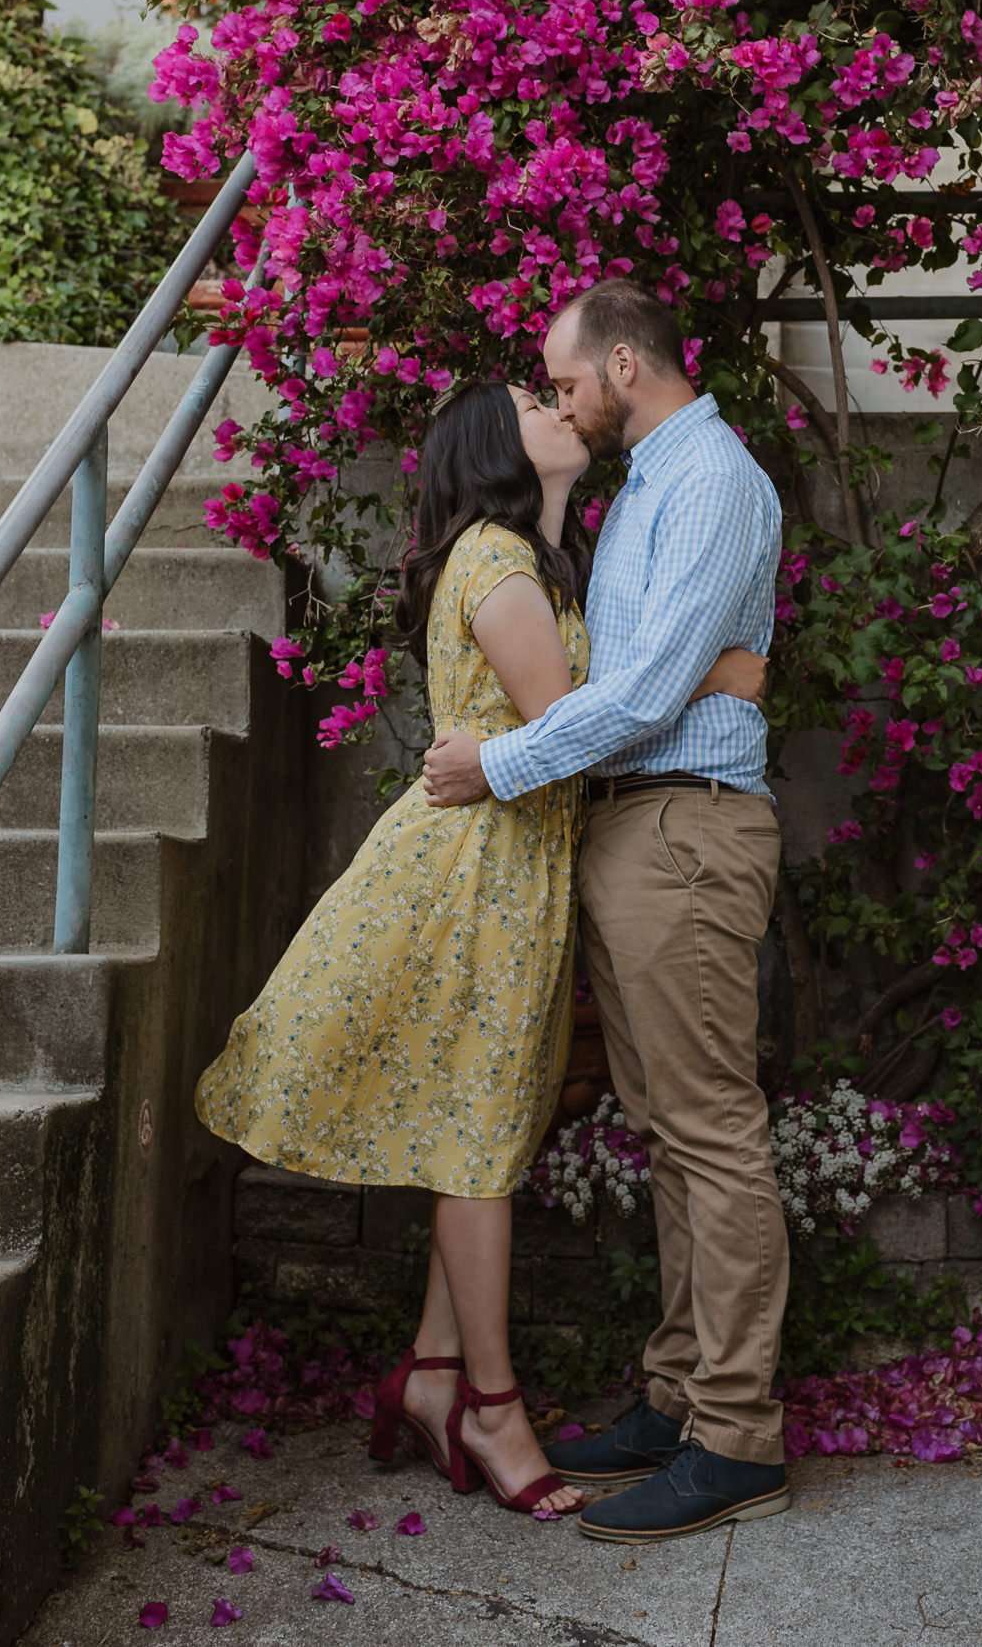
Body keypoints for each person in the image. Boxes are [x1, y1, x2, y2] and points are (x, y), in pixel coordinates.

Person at [193, 377, 762, 1520]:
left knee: (485, 1115)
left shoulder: (537, 560)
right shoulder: (499, 562)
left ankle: (433, 1373)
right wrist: (714, 673)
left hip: (510, 869)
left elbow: (588, 704)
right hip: (474, 875)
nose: (560, 410)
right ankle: (492, 1404)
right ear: (493, 450)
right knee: (477, 1134)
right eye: (533, 404)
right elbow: (573, 727)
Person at [423, 284, 790, 1544]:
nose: (560, 398)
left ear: (622, 365)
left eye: (564, 379)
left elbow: (635, 691)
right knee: (667, 1127)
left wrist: (498, 763)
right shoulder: (646, 486)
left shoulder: (711, 482)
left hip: (685, 822)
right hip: (639, 820)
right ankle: (677, 1394)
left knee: (709, 1128)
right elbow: (645, 675)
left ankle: (735, 1431)